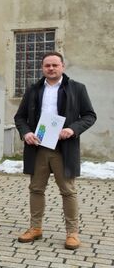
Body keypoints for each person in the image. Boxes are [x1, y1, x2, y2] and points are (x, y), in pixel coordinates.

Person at [14, 51, 96, 250]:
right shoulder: (33, 89)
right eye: (47, 66)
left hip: (64, 148)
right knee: (36, 189)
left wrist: (72, 129)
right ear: (42, 68)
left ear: (62, 67)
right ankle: (35, 228)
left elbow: (89, 116)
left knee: (68, 191)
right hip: (38, 148)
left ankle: (72, 233)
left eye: (54, 65)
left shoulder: (77, 88)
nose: (51, 68)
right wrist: (26, 133)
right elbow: (20, 117)